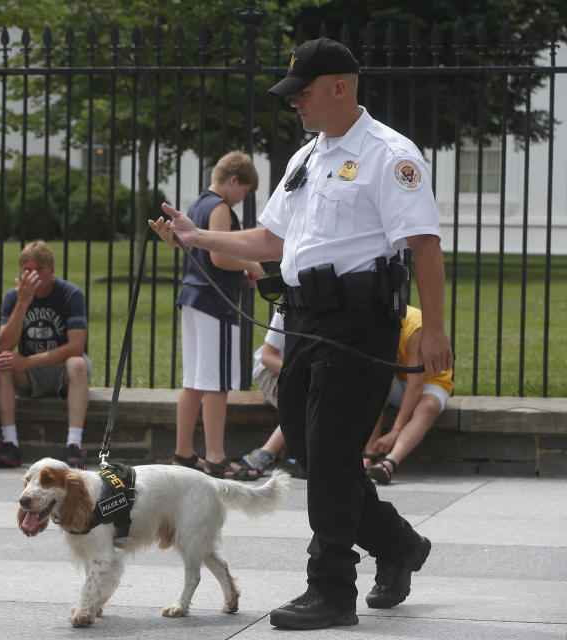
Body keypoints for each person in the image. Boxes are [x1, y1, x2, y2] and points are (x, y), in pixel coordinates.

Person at [149, 37, 453, 631]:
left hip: (361, 323)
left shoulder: (390, 155)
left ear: (340, 87)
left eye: (304, 93)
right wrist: (199, 238)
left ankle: (331, 588)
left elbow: (424, 244)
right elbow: (272, 242)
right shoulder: (307, 158)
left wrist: (435, 328)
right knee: (317, 455)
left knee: (334, 454)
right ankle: (398, 545)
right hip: (304, 320)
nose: (296, 104)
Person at [152, 151, 265, 480]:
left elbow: (197, 249)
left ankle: (183, 453)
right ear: (234, 181)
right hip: (215, 300)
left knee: (194, 379)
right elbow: (219, 257)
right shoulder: (219, 207)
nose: (243, 198)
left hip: (192, 296)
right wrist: (250, 264)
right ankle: (216, 457)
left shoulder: (198, 204)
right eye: (244, 191)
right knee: (217, 383)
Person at [0, 240, 91, 469]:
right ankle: (10, 443)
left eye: (39, 269)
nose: (33, 275)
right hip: (32, 374)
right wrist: (23, 302)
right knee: (3, 364)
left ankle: (74, 446)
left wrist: (26, 360)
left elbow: (76, 347)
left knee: (77, 363)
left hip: (62, 371)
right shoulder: (13, 297)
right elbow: (4, 344)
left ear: (51, 271)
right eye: (27, 269)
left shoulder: (70, 294)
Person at [363, 304, 454, 484]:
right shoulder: (370, 325)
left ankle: (389, 463)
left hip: (430, 381)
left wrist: (396, 429)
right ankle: (368, 456)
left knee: (428, 407)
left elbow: (416, 384)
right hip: (398, 378)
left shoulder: (414, 326)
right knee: (371, 385)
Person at [241, 311, 299, 477]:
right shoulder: (286, 308)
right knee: (302, 400)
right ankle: (266, 452)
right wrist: (302, 375)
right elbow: (267, 356)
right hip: (272, 371)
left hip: (308, 375)